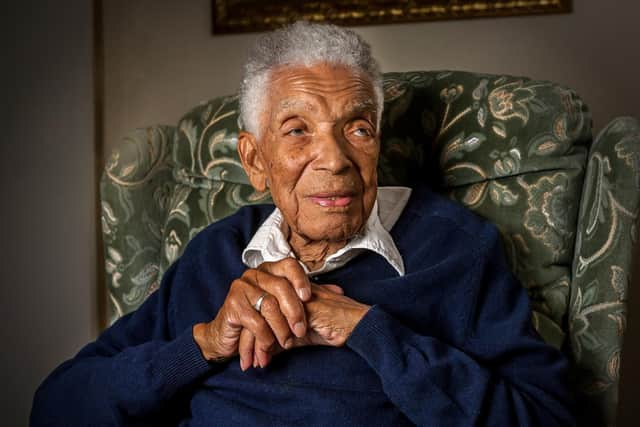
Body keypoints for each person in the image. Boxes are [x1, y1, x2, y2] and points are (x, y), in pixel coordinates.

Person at [31, 22, 574, 426]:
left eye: (357, 129)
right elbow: (57, 405)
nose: (335, 159)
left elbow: (547, 417)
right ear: (255, 160)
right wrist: (204, 343)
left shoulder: (455, 248)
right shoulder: (215, 253)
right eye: (297, 131)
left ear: (378, 141)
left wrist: (368, 330)